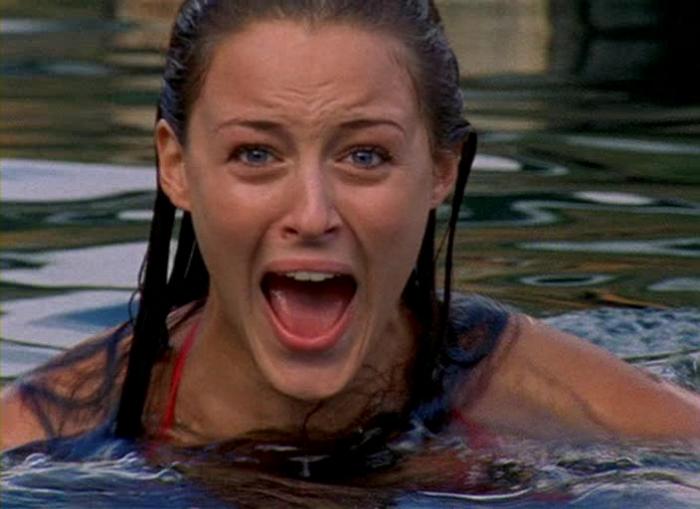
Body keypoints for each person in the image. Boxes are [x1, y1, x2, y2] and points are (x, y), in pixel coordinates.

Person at [2, 0, 699, 458]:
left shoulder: (539, 397)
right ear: (176, 166)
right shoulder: (46, 433)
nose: (312, 214)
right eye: (256, 154)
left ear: (441, 169)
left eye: (365, 156)